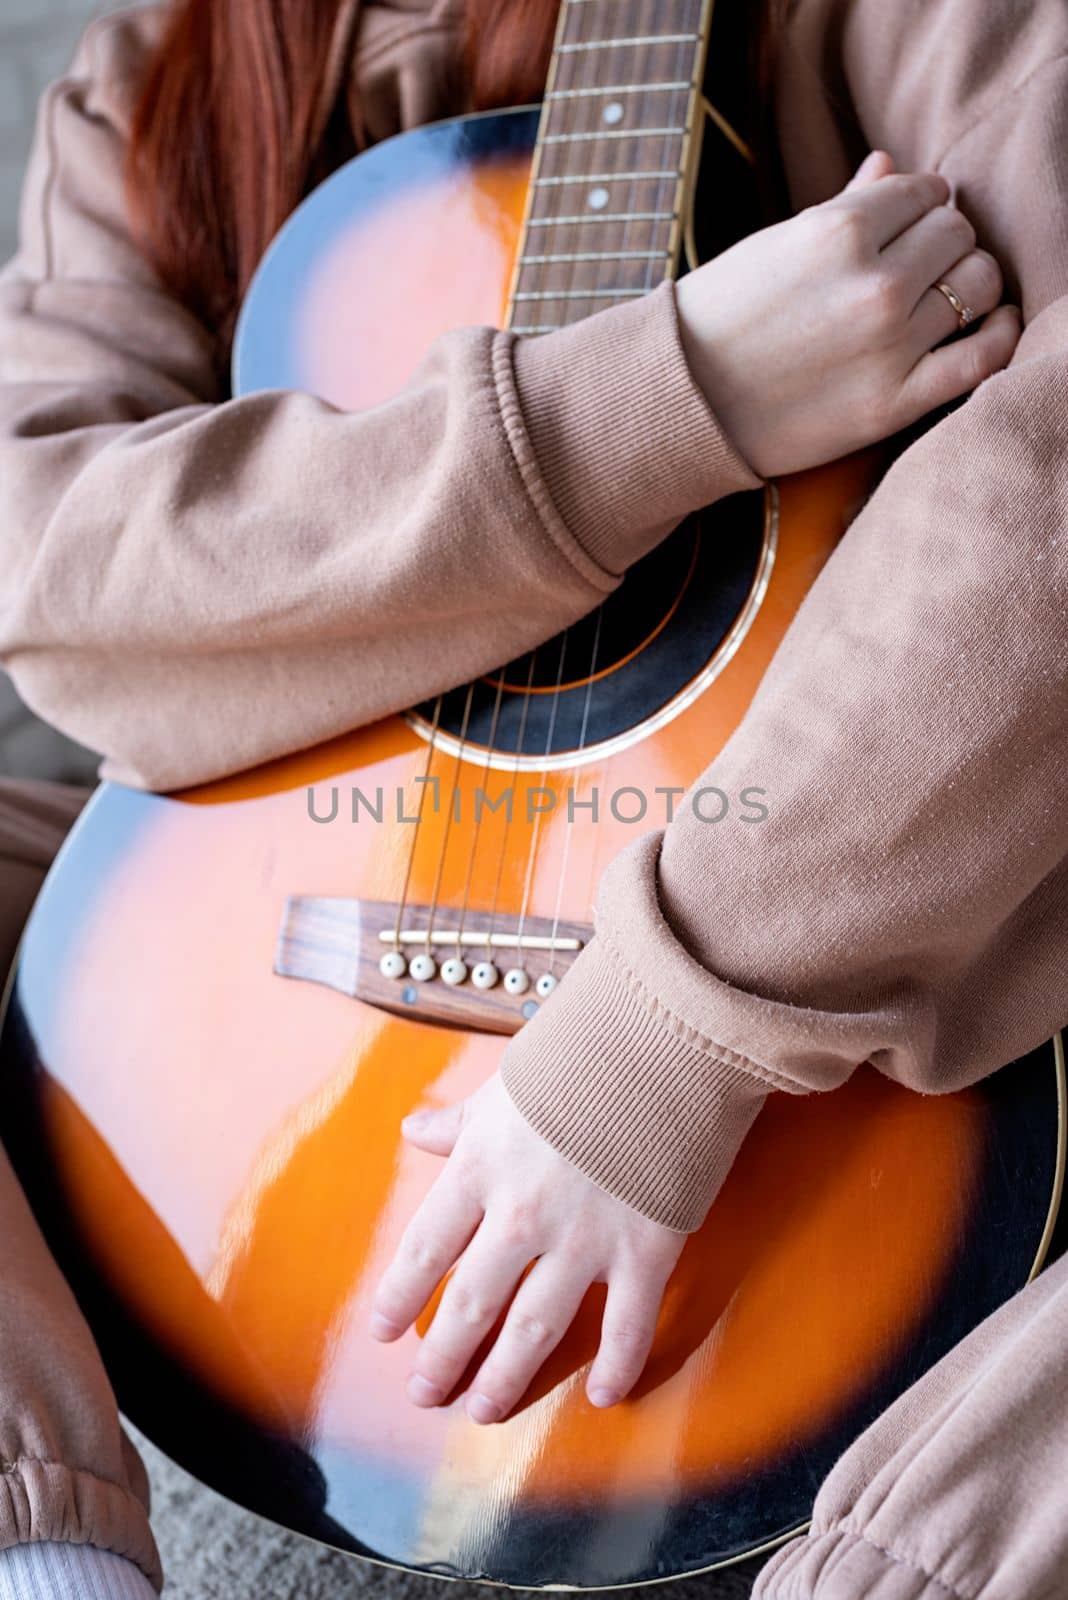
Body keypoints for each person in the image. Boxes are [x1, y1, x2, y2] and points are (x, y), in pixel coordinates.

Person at [0, 0, 1065, 1596]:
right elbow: (62, 581)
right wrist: (667, 400)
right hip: (278, 870)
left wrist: (656, 1037)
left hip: (877, 873)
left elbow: (1045, 477)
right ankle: (49, 1560)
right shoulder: (155, 77)